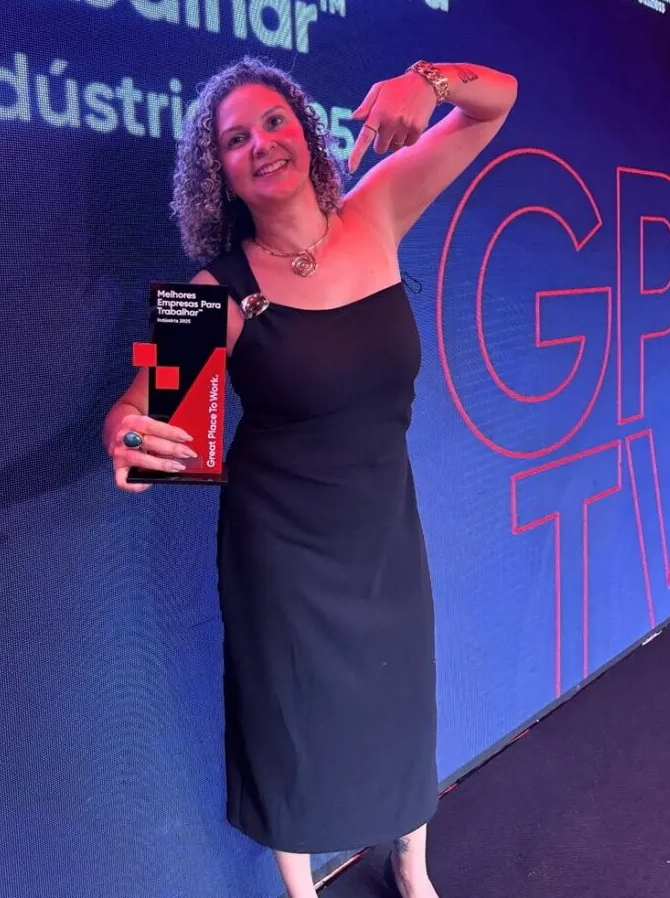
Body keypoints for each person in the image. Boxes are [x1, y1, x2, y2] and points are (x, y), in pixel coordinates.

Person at [102, 55, 518, 898]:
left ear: (306, 131)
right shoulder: (217, 291)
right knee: (286, 719)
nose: (260, 144)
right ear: (218, 175)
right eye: (235, 140)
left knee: (402, 699)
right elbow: (140, 410)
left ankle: (412, 868)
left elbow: (496, 103)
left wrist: (429, 81)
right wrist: (126, 431)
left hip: (382, 526)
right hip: (279, 550)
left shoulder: (379, 207)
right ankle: (303, 890)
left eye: (274, 122)